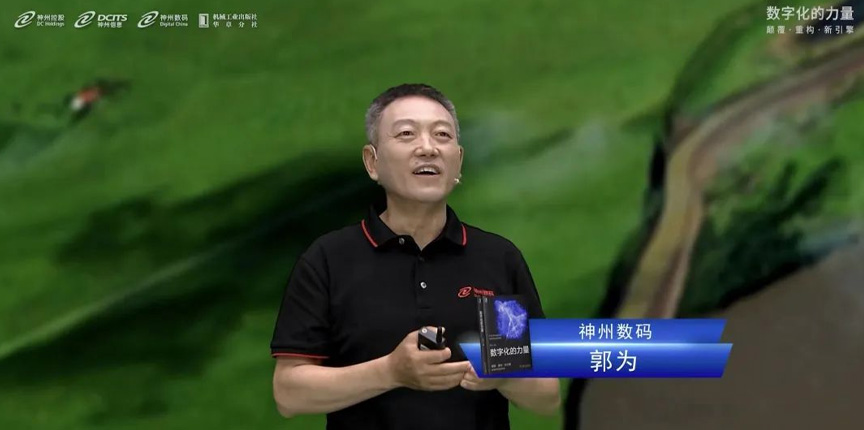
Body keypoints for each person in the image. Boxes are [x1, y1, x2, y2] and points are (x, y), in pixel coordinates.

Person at [271, 83, 560, 429]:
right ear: (372, 162)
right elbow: (289, 394)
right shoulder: (329, 260)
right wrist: (391, 371)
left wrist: (502, 375)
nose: (428, 148)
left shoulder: (497, 259)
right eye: (406, 134)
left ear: (458, 161)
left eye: (442, 135)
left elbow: (547, 395)